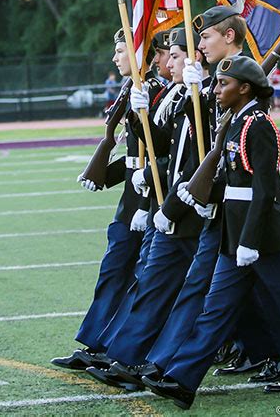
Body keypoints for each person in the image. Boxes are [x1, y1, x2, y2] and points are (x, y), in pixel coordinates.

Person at [142, 56, 280, 409]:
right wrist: (195, 200)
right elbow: (226, 177)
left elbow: (264, 189)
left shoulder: (258, 124)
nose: (218, 90)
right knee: (214, 309)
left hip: (263, 238)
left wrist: (251, 241)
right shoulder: (234, 120)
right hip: (233, 234)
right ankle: (182, 379)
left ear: (244, 88)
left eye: (224, 84)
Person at [85, 27, 210, 389]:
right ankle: (120, 353)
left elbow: (193, 156)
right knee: (155, 283)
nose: (167, 61)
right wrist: (138, 122)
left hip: (182, 207)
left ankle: (137, 358)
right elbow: (154, 149)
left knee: (189, 292)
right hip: (160, 203)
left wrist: (153, 202)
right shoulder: (167, 93)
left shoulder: (202, 94)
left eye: (175, 54)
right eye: (167, 55)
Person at [51, 28, 166, 376]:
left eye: (120, 51)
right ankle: (96, 343)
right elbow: (132, 154)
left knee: (143, 277)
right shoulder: (130, 90)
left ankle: (124, 349)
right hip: (131, 196)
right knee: (114, 270)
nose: (115, 58)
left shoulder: (155, 92)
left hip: (152, 198)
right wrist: (102, 174)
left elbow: (161, 153)